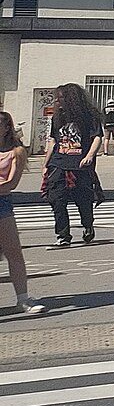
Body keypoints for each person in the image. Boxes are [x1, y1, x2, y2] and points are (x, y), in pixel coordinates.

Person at [41, 83, 104, 248]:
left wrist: (90, 155)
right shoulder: (58, 116)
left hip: (79, 164)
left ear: (71, 99)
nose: (57, 100)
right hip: (59, 162)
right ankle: (63, 235)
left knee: (83, 199)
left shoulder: (89, 116)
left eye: (61, 97)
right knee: (56, 199)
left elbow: (97, 137)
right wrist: (46, 164)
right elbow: (53, 140)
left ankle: (88, 224)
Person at [0, 112, 45, 315]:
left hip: (2, 203)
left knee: (13, 252)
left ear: (7, 128)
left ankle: (23, 299)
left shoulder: (16, 152)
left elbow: (11, 183)